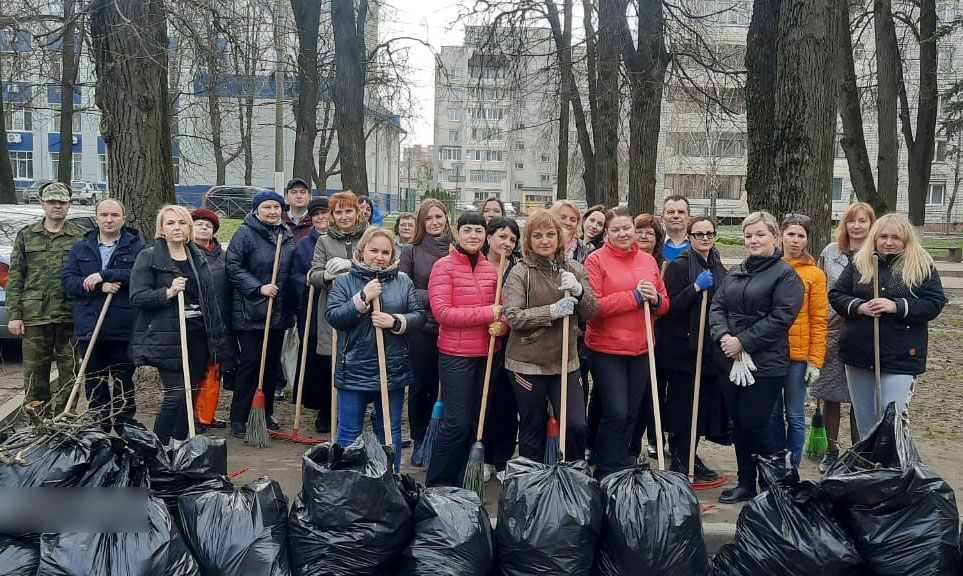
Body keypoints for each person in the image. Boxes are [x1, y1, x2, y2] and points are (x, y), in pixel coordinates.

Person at [708, 211, 803, 503]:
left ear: (775, 237)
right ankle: (746, 482)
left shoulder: (786, 276)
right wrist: (724, 336)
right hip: (730, 361)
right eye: (748, 235)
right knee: (739, 424)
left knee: (758, 424)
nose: (753, 240)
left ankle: (778, 485)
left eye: (760, 234)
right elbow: (718, 306)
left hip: (765, 364)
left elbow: (781, 318)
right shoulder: (738, 270)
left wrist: (744, 342)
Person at [829, 213, 946, 439]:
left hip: (901, 355)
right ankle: (869, 467)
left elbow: (934, 303)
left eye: (895, 237)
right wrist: (860, 307)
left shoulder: (922, 265)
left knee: (892, 417)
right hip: (859, 353)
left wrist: (896, 306)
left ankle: (893, 469)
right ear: (874, 237)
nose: (889, 242)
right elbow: (837, 294)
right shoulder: (859, 262)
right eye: (883, 236)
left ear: (906, 240)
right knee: (866, 421)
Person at [130, 205, 232, 446]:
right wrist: (168, 292)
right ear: (162, 229)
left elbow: (209, 301)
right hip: (168, 337)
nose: (177, 228)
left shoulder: (197, 256)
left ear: (189, 227)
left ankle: (179, 443)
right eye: (171, 223)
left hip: (198, 335)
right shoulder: (150, 257)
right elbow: (137, 297)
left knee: (191, 393)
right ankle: (159, 446)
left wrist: (218, 340)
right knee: (176, 394)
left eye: (182, 223)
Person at [326, 227, 425, 472]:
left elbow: (418, 316)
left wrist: (395, 321)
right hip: (354, 369)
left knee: (389, 432)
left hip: (391, 371)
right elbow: (334, 316)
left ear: (393, 256)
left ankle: (391, 480)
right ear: (362, 252)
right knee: (349, 431)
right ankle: (342, 483)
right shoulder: (345, 281)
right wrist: (361, 298)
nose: (379, 257)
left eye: (385, 252)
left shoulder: (403, 282)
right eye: (373, 251)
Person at [503, 210, 598, 465]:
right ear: (529, 240)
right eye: (537, 235)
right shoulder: (520, 272)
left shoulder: (575, 269)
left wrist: (578, 292)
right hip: (527, 363)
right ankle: (530, 484)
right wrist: (552, 311)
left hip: (566, 363)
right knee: (533, 428)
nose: (544, 240)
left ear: (560, 237)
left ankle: (574, 478)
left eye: (550, 234)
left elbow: (591, 311)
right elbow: (513, 316)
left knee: (576, 425)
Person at [584, 206, 669, 479]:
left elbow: (664, 303)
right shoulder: (596, 260)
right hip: (606, 348)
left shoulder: (648, 260)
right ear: (607, 233)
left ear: (634, 229)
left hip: (642, 346)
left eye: (626, 228)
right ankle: (606, 469)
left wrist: (654, 299)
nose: (623, 233)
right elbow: (593, 306)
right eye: (616, 229)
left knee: (633, 413)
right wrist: (633, 297)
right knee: (617, 411)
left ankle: (622, 463)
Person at [425, 211, 507, 487]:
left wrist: (502, 327)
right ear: (458, 234)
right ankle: (438, 483)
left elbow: (503, 312)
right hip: (455, 356)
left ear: (485, 236)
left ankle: (464, 482)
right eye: (468, 230)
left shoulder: (492, 270)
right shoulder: (443, 267)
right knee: (456, 423)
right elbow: (443, 313)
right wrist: (487, 314)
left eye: (479, 231)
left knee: (475, 422)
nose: (473, 236)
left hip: (488, 356)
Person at [62, 198, 145, 431]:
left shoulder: (136, 247)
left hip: (122, 326)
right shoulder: (81, 248)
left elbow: (140, 275)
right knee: (94, 379)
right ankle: (99, 422)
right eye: (104, 215)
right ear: (96, 218)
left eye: (115, 215)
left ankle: (123, 422)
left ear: (123, 219)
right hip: (90, 325)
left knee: (123, 378)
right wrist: (99, 286)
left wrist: (106, 274)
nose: (109, 220)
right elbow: (69, 281)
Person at [660, 216, 728, 481]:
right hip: (683, 352)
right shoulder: (678, 267)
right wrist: (695, 287)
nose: (704, 238)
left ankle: (690, 456)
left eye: (709, 233)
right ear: (689, 237)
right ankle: (679, 458)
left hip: (709, 350)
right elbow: (669, 309)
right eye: (698, 234)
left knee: (701, 410)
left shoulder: (718, 265)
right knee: (683, 409)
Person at [6, 181, 84, 415]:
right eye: (52, 202)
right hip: (35, 317)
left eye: (62, 202)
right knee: (34, 375)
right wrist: (15, 315)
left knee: (70, 373)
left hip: (69, 316)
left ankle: (64, 421)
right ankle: (38, 425)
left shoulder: (80, 237)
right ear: (43, 204)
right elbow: (16, 277)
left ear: (69, 205)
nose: (57, 206)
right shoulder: (27, 236)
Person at [226, 190, 295, 439]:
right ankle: (239, 415)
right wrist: (259, 287)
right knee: (252, 362)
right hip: (249, 310)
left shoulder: (285, 235)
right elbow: (233, 265)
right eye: (267, 207)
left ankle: (264, 412)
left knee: (270, 366)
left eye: (276, 207)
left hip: (277, 312)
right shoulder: (245, 233)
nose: (273, 211)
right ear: (256, 210)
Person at [814, 202, 874, 471]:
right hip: (833, 329)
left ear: (872, 224)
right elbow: (821, 289)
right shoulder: (831, 252)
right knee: (832, 394)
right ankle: (832, 449)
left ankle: (858, 453)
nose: (857, 226)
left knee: (859, 396)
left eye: (863, 221)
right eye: (852, 221)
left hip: (864, 331)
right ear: (845, 225)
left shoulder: (877, 253)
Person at [769, 214, 828, 468]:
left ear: (807, 240)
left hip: (798, 357)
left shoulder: (814, 275)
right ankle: (774, 462)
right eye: (790, 234)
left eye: (800, 235)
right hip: (770, 353)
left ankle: (791, 467)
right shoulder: (768, 267)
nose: (795, 240)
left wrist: (815, 361)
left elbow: (819, 319)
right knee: (772, 415)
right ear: (780, 236)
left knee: (794, 415)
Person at [307, 191, 369, 417]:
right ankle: (330, 411)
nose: (344, 217)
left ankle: (358, 411)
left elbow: (385, 265)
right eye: (338, 212)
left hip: (366, 308)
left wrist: (352, 266)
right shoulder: (324, 240)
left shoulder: (370, 236)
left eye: (348, 211)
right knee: (335, 359)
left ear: (357, 212)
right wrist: (327, 276)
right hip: (334, 307)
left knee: (361, 358)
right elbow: (313, 274)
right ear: (332, 216)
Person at [399, 198, 451, 459]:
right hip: (421, 328)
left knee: (447, 385)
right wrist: (440, 296)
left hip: (451, 327)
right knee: (421, 385)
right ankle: (420, 437)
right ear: (422, 222)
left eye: (438, 217)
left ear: (446, 218)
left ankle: (441, 436)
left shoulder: (455, 249)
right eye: (429, 218)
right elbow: (405, 288)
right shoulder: (411, 250)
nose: (434, 222)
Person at [481, 216, 521, 481]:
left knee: (507, 402)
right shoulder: (478, 265)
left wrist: (505, 324)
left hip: (512, 342)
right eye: (502, 237)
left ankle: (503, 457)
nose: (506, 243)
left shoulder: (517, 268)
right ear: (489, 237)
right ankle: (482, 456)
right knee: (485, 399)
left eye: (512, 239)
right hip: (481, 342)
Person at [292, 197, 331, 432]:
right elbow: (295, 274)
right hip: (312, 306)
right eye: (315, 214)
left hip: (336, 305)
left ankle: (334, 407)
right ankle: (321, 408)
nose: (320, 218)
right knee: (317, 358)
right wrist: (308, 281)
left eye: (324, 213)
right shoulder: (305, 244)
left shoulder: (339, 241)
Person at [629, 212, 666, 460]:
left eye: (649, 233)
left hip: (658, 337)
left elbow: (664, 302)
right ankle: (628, 448)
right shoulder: (627, 260)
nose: (644, 236)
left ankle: (653, 441)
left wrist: (656, 301)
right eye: (639, 231)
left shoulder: (660, 263)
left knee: (651, 395)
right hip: (631, 339)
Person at [190, 207, 232, 429]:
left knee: (214, 370)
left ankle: (206, 415)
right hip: (194, 322)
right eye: (198, 224)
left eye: (208, 225)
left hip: (220, 322)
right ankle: (190, 416)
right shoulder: (184, 254)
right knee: (193, 370)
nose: (204, 227)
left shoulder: (223, 256)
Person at [281, 177, 314, 243]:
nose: (299, 196)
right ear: (286, 197)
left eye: (303, 192)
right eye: (294, 192)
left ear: (309, 197)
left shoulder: (317, 221)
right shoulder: (279, 221)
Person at [662, 195, 691, 261]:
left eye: (681, 212)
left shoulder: (699, 245)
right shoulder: (654, 245)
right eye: (671, 212)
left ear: (689, 217)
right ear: (662, 217)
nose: (676, 216)